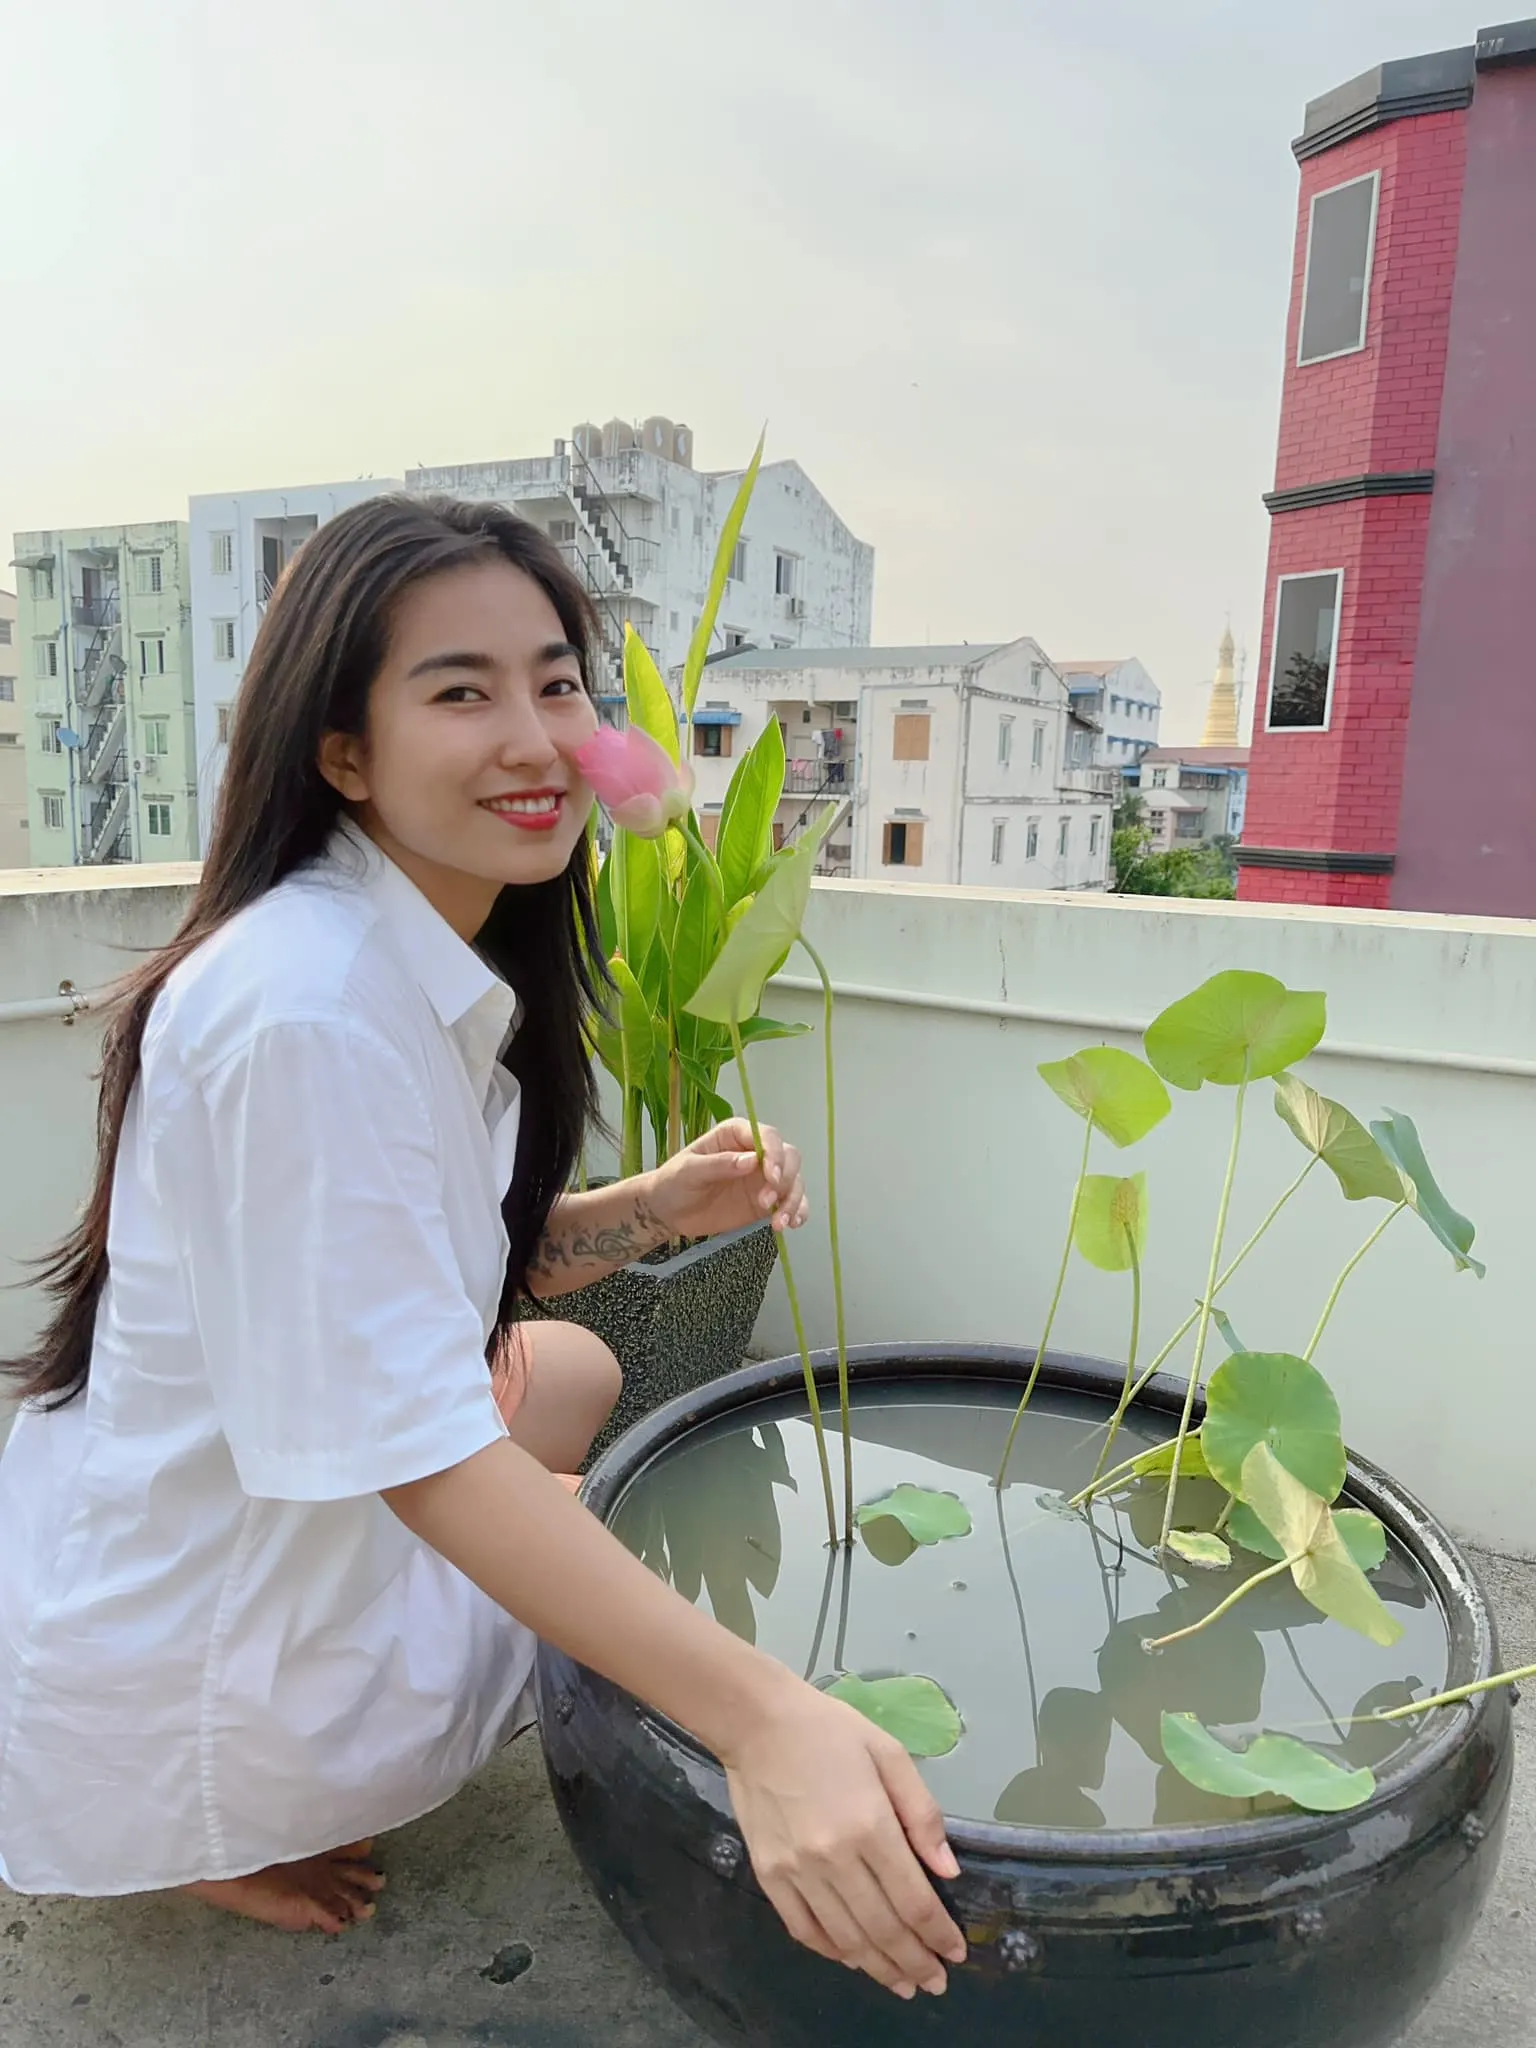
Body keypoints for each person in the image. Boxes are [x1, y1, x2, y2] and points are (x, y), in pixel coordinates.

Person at [0, 497, 966, 2004]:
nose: (535, 737)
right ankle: (205, 1809)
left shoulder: (401, 944)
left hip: (268, 1467)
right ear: (342, 750)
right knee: (577, 1527)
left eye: (558, 682)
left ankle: (311, 1714)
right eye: (461, 691)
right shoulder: (309, 1010)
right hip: (214, 1603)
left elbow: (428, 1269)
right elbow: (421, 1452)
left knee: (572, 1372)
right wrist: (765, 1722)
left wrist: (646, 1206)